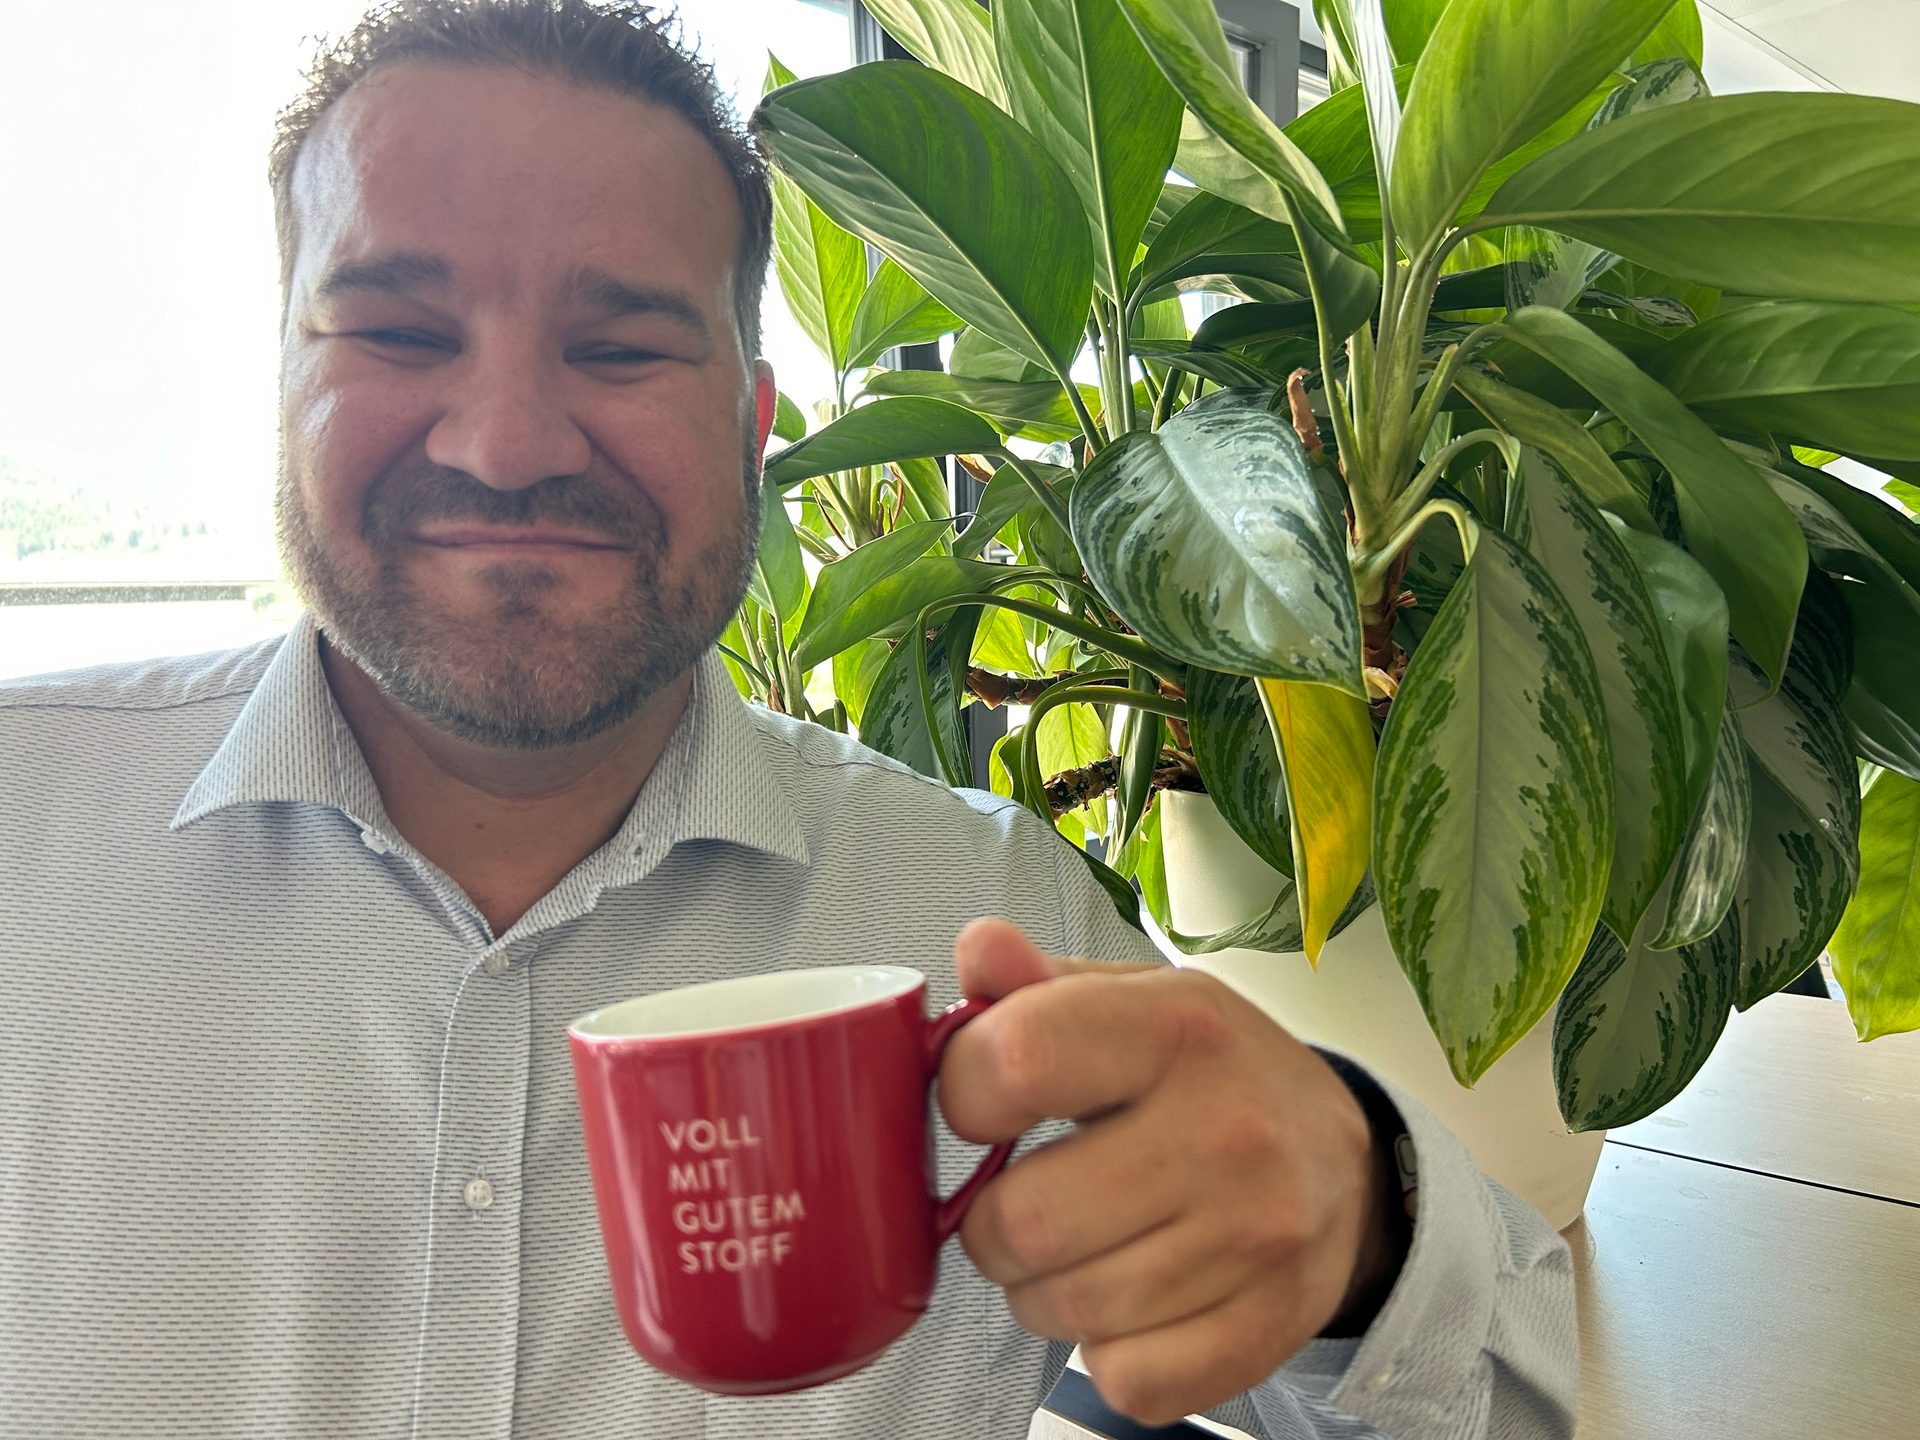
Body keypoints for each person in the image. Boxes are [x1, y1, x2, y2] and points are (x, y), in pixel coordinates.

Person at [0, 3, 1576, 1436]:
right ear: (283, 386)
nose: (502, 445)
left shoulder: (991, 923)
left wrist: (1360, 1225)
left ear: (753, 431)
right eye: (402, 333)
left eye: (619, 347)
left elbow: (1509, 1398)